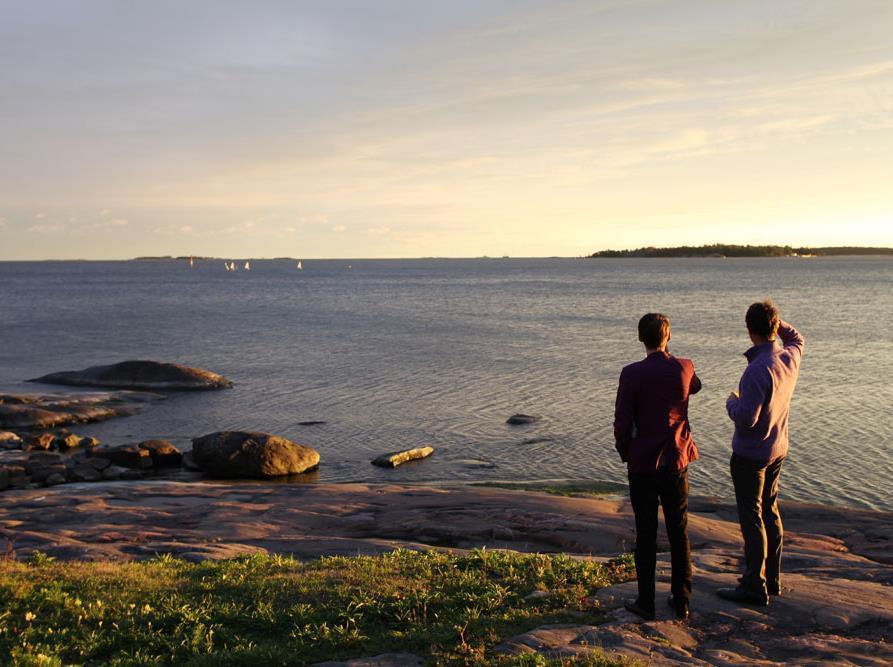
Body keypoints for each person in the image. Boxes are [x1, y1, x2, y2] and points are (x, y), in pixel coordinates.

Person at [614, 313, 701, 621]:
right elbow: (696, 386)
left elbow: (622, 421)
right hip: (676, 460)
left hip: (643, 465)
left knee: (646, 534)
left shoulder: (631, 373)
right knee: (679, 531)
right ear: (669, 337)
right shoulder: (684, 366)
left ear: (640, 338)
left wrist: (626, 452)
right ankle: (682, 600)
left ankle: (646, 602)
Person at [718, 301, 804, 606]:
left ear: (749, 331)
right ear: (774, 326)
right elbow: (797, 338)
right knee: (770, 509)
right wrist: (778, 322)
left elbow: (747, 418)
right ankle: (773, 578)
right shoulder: (789, 356)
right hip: (778, 448)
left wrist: (731, 401)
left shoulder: (756, 370)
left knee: (752, 516)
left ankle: (755, 584)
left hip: (751, 455)